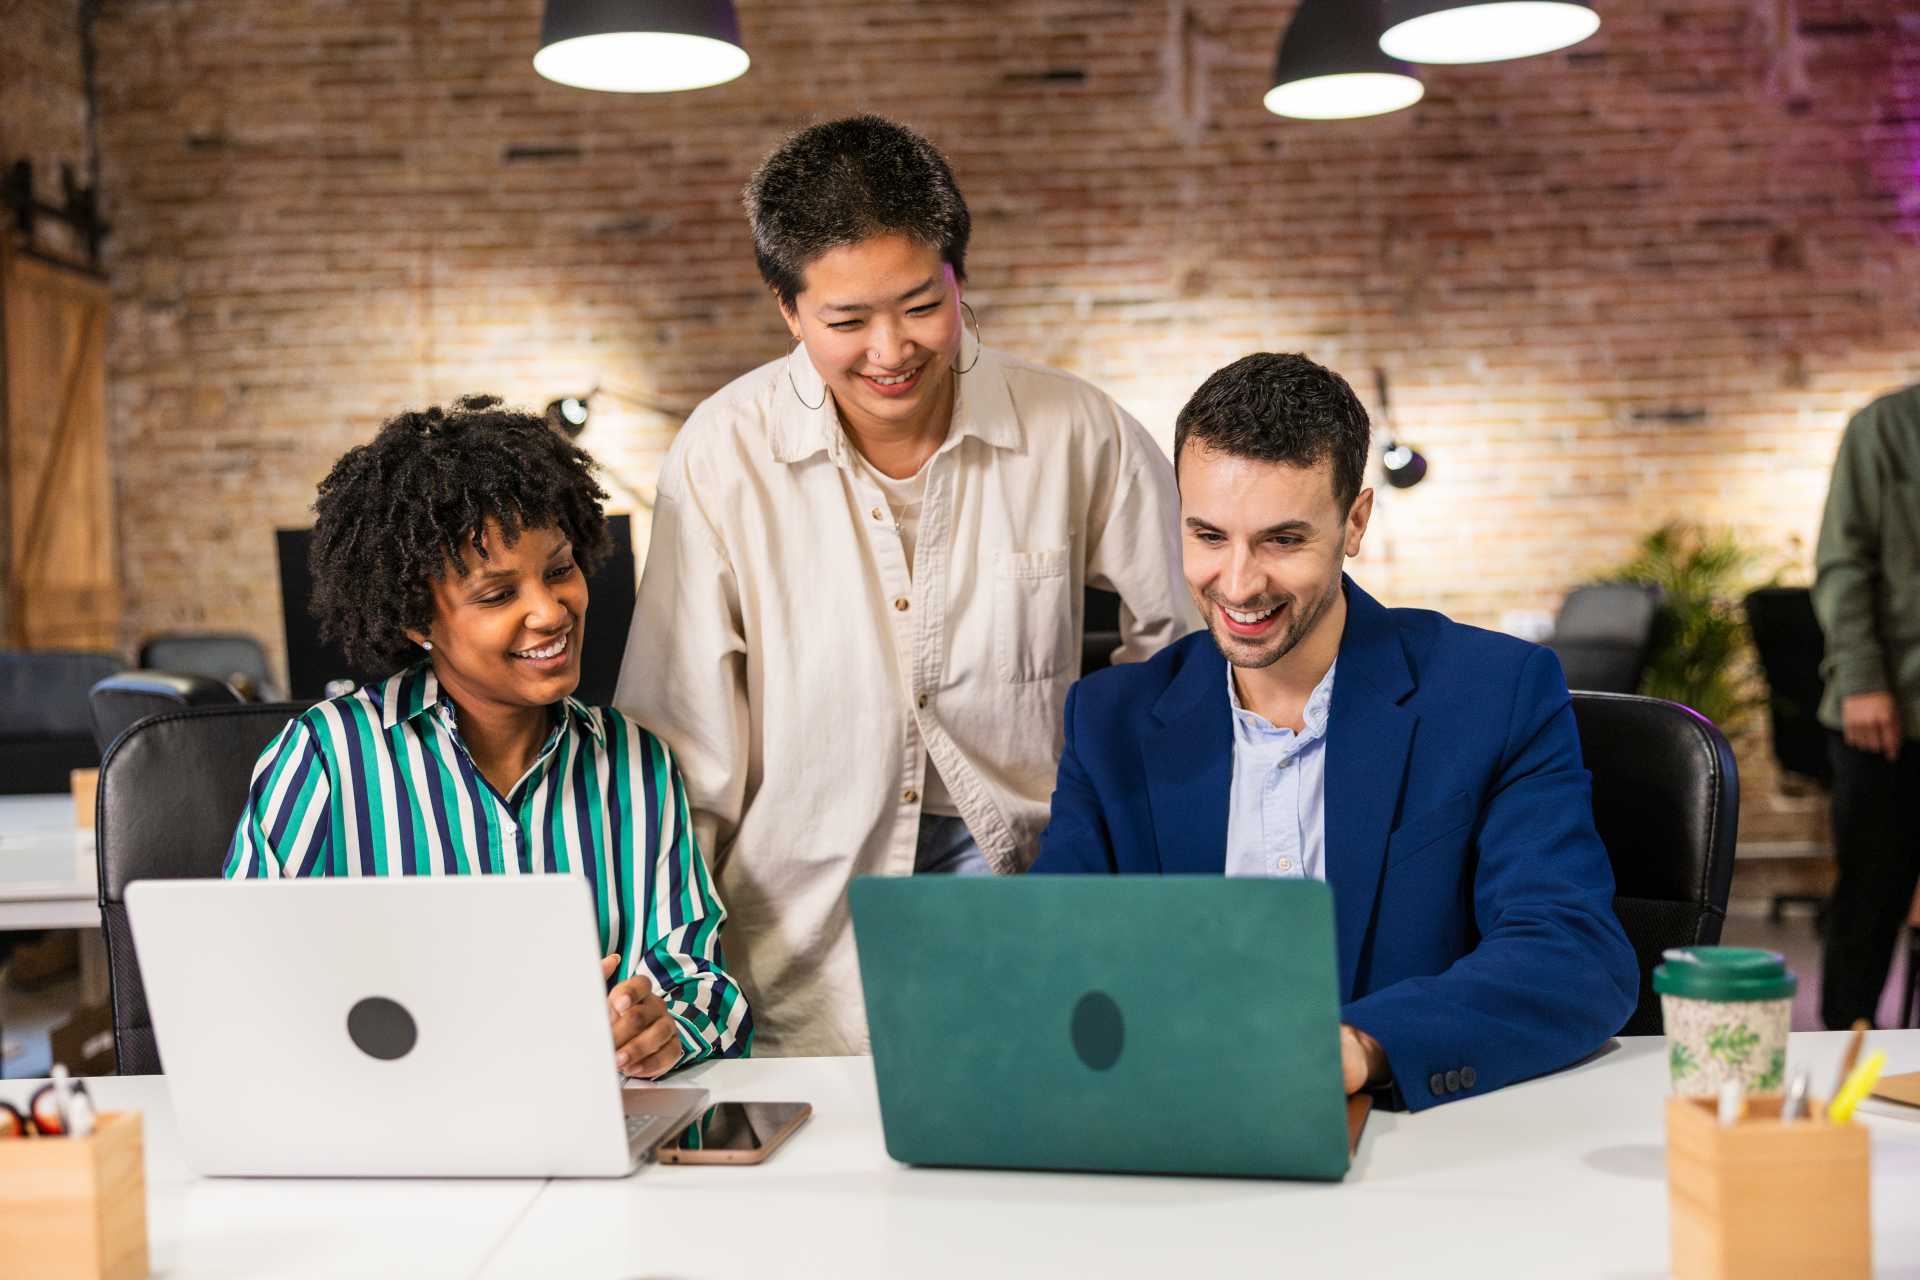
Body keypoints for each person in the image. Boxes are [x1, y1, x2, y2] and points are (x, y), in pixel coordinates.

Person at [616, 116, 1195, 1056]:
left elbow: (1182, 644)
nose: (890, 350)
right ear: (788, 310)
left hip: (1030, 899)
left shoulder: (1076, 429)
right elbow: (684, 735)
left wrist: (1117, 812)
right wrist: (667, 965)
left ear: (958, 275)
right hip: (802, 920)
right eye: (846, 321)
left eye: (922, 305)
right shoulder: (723, 456)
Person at [1030, 353, 1637, 1110]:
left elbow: (1574, 955)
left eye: (1283, 541)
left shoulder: (1496, 694)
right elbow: (1051, 962)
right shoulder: (1111, 719)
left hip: (1411, 1146)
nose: (1240, 583)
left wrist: (1361, 1047)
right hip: (1172, 1128)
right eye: (1209, 535)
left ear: (1354, 523)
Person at [225, 397, 751, 1078]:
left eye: (559, 568)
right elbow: (242, 982)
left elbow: (700, 981)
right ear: (418, 621)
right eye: (498, 596)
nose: (550, 609)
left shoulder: (633, 762)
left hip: (599, 1130)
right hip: (394, 1130)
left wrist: (663, 1028)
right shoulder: (327, 760)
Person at [1812, 384, 1920, 1028]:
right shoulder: (1884, 428)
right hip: (1891, 714)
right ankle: (1840, 1045)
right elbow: (1843, 563)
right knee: (1870, 899)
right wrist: (1860, 679)